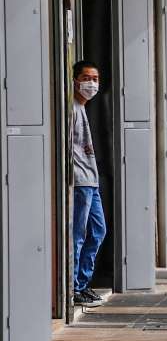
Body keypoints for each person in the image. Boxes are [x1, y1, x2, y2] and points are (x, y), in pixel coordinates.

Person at [72, 60, 107, 307]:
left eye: (95, 79)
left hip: (90, 180)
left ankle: (82, 283)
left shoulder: (82, 108)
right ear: (74, 80)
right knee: (79, 235)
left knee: (98, 231)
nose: (91, 83)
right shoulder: (72, 109)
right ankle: (74, 287)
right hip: (80, 180)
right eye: (86, 78)